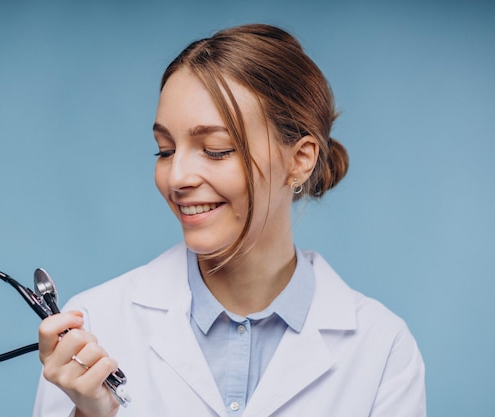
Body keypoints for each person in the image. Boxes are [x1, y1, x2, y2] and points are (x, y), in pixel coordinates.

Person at [32, 23, 426, 417]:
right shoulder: (92, 327)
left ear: (300, 160)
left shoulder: (383, 349)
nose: (178, 177)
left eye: (216, 149)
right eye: (165, 150)